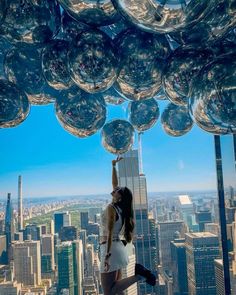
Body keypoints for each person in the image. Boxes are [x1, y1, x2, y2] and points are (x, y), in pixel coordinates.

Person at [99, 156, 156, 295]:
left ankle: (140, 275)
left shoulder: (112, 208)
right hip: (116, 249)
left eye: (118, 190)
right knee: (115, 288)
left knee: (109, 291)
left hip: (110, 249)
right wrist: (113, 166)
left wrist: (107, 256)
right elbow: (115, 183)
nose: (115, 188)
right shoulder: (120, 208)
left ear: (119, 197)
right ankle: (140, 275)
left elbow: (111, 232)